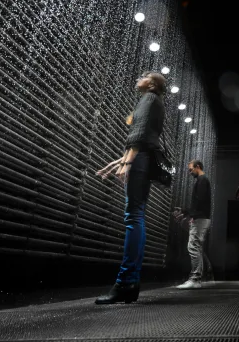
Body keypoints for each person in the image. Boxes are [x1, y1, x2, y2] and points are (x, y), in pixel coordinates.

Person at [94, 72, 166, 304]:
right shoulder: (155, 102)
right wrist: (118, 161)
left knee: (133, 217)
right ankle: (131, 282)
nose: (139, 77)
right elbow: (144, 137)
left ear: (152, 84)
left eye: (145, 76)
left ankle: (125, 282)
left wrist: (126, 163)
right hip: (143, 159)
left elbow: (140, 134)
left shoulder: (149, 99)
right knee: (137, 216)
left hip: (140, 160)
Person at [175, 159, 213, 289]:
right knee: (196, 247)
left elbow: (199, 201)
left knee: (193, 247)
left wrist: (188, 213)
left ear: (198, 167)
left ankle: (195, 279)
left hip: (201, 218)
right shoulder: (202, 181)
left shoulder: (202, 180)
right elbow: (198, 203)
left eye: (191, 169)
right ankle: (198, 277)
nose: (190, 173)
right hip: (201, 217)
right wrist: (188, 213)